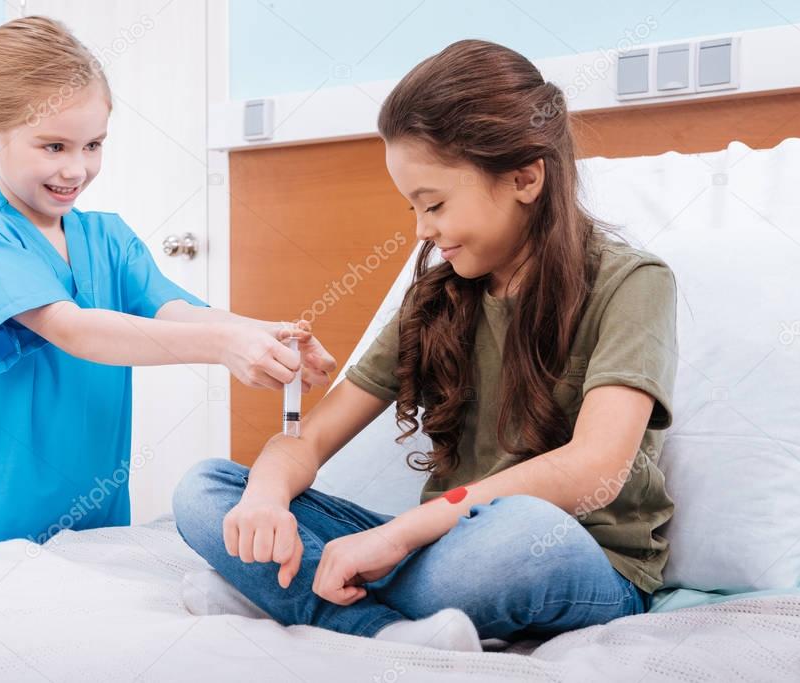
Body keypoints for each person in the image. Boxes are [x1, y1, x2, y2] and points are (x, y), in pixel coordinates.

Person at [173, 39, 677, 651]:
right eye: (413, 207)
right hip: (434, 545)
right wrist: (266, 498)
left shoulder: (632, 283)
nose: (422, 230)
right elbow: (307, 440)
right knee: (206, 490)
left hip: (573, 555)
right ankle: (380, 628)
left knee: (517, 539)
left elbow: (593, 468)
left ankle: (287, 597)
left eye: (434, 204)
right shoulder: (437, 295)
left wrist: (404, 533)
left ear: (525, 177)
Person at [0, 16, 335, 555]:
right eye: (54, 147)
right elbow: (72, 329)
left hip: (96, 519)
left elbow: (175, 312)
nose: (77, 168)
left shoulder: (107, 237)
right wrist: (223, 347)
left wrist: (268, 334)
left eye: (93, 145)